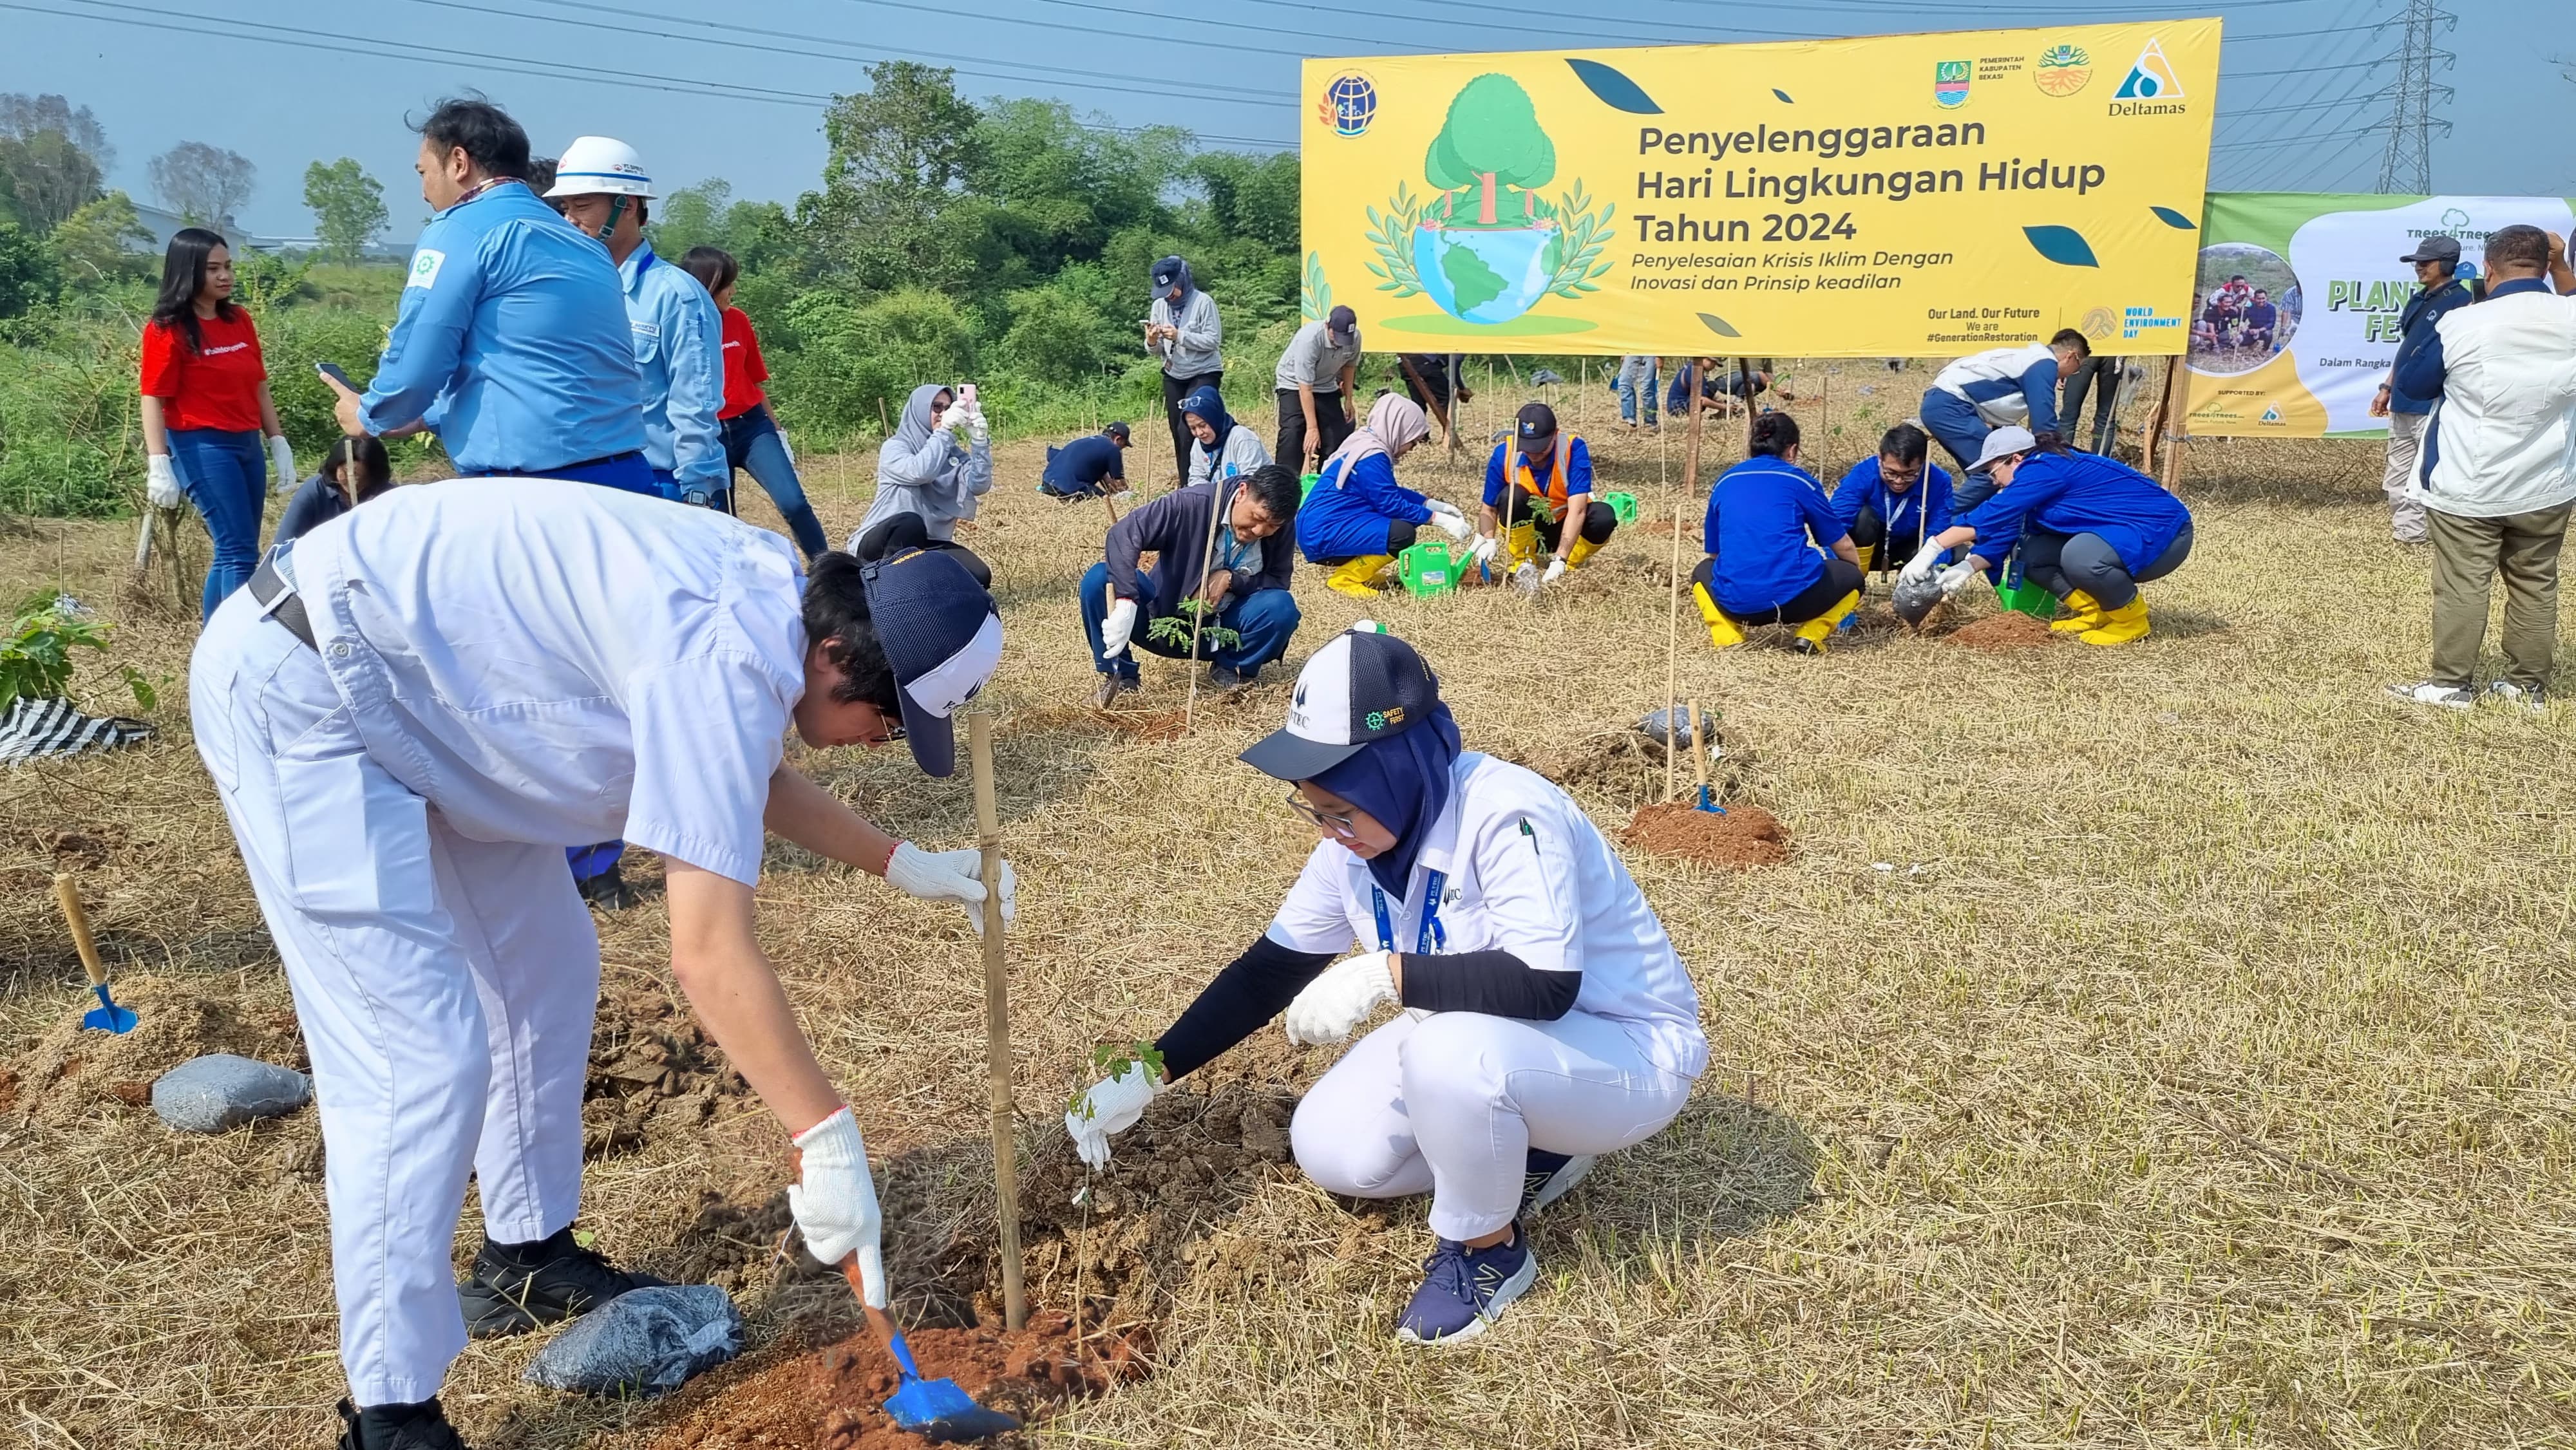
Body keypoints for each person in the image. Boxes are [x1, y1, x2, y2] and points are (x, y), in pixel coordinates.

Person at [189, 483, 1012, 1450]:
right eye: (885, 722)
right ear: (838, 659)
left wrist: (898, 861)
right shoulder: (722, 649)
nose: (878, 746)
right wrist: (825, 1138)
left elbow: (750, 773)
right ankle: (391, 1409)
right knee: (415, 1061)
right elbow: (708, 955)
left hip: (430, 712)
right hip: (312, 693)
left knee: (547, 966)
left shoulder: (768, 607)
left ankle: (525, 1256)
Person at [1062, 624, 1705, 1345]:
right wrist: (1149, 1069)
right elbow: (1268, 969)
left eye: (1340, 806)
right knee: (1334, 1148)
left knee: (1450, 1057)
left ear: (1395, 770)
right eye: (1312, 806)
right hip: (1492, 1039)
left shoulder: (1507, 814)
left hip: (1623, 1048)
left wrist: (1382, 972)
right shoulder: (1355, 846)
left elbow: (1546, 984)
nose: (1328, 827)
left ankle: (1488, 1251)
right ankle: (1540, 1147)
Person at [320, 97, 648, 494]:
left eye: (423, 172)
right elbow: (540, 364)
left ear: (458, 162)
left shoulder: (459, 230)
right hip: (625, 475)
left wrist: (370, 414)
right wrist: (429, 417)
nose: (424, 192)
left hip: (532, 488)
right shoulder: (584, 244)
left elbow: (417, 361)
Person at [2383, 223, 2576, 710]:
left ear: (2487, 269)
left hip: (2467, 483)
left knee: (2463, 585)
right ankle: (2525, 687)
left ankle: (2451, 686)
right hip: (2547, 483)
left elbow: (2414, 386)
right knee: (2536, 583)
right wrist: (2559, 264)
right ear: (2546, 264)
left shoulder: (2463, 323)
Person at [547, 137, 726, 511]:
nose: (570, 219)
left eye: (582, 205)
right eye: (565, 208)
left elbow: (695, 406)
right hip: (582, 484)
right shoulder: (567, 291)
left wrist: (697, 495)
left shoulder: (676, 296)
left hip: (659, 487)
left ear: (627, 206)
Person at [1904, 426, 2193, 647]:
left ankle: (2131, 621)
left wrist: (1933, 547)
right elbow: (2005, 529)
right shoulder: (2037, 477)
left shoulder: (2044, 469)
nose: (1992, 480)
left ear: (2015, 459)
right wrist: (1967, 567)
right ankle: (2097, 611)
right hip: (2123, 532)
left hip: (2163, 536)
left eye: (1992, 471)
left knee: (2081, 555)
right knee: (2033, 554)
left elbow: (1991, 514)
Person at [139, 226, 298, 619]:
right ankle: (239, 650)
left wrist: (277, 440)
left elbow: (258, 384)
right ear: (188, 271)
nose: (225, 276)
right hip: (201, 445)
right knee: (239, 552)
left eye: (228, 266)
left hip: (246, 442)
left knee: (234, 550)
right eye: (213, 269)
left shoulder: (238, 319)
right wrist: (158, 462)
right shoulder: (167, 329)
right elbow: (153, 397)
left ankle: (214, 642)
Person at [1084, 462, 1305, 704]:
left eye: (1272, 526)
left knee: (1281, 607)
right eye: (1256, 518)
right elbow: (1124, 533)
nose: (1259, 531)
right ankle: (1121, 676)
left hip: (1222, 633)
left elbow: (1278, 580)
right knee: (1099, 578)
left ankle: (1232, 668)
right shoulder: (1193, 504)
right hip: (1161, 621)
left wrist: (1232, 580)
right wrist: (1126, 602)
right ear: (1242, 492)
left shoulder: (1280, 529)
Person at [681, 246, 829, 558]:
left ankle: (828, 571)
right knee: (719, 519)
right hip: (707, 434)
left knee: (794, 503)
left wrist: (778, 431)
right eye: (727, 285)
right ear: (706, 285)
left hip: (752, 427)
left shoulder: (738, 320)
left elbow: (755, 380)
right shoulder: (681, 324)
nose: (733, 291)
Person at [1690, 413, 1862, 654]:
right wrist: (1855, 574)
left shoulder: (1725, 481)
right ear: (1791, 451)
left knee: (1701, 571)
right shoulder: (1800, 481)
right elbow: (1841, 545)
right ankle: (1811, 634)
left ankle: (1726, 634)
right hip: (1797, 602)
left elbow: (1714, 554)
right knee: (1852, 577)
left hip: (1735, 606)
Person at [1296, 393, 1468, 598]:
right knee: (1401, 532)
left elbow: (1387, 492)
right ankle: (1346, 578)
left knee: (1403, 521)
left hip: (1321, 528)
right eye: (1412, 441)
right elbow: (1392, 505)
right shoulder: (1372, 456)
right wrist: (1441, 520)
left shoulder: (1364, 442)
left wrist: (1433, 505)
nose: (1411, 449)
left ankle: (1361, 571)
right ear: (1399, 430)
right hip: (1323, 533)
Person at [2369, 235, 2474, 545]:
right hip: (2402, 400)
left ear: (2446, 264)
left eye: (2426, 262)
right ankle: (2408, 534)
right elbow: (2408, 347)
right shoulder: (2418, 299)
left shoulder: (2462, 302)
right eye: (2417, 262)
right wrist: (2387, 386)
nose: (2419, 268)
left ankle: (2444, 536)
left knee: (2431, 472)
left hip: (2434, 403)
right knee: (2398, 471)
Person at [1920, 330, 2088, 511]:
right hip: (1950, 405)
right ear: (2071, 356)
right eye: (2077, 369)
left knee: (1991, 477)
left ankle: (1963, 527)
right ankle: (1940, 521)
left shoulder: (2029, 359)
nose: (2072, 375)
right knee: (1995, 471)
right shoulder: (2044, 363)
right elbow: (2044, 426)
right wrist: (2069, 458)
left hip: (1944, 403)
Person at [849, 383, 995, 587]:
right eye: (937, 407)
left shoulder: (951, 454)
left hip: (927, 543)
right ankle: (883, 587)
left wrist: (980, 442)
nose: (943, 413)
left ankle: (921, 585)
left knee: (978, 576)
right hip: (882, 543)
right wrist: (944, 432)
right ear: (919, 409)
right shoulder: (896, 447)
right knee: (909, 522)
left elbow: (979, 485)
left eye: (949, 408)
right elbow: (920, 472)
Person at [1468, 402, 1613, 587]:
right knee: (1511, 496)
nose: (1533, 453)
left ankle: (1567, 564)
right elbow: (1488, 508)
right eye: (1527, 447)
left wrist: (1560, 559)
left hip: (1565, 527)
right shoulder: (1504, 453)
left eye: (1540, 447)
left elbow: (1578, 510)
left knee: (1603, 516)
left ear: (1555, 434)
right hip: (1526, 529)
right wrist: (1488, 539)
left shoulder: (1573, 449)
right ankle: (1523, 561)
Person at [1830, 422, 1955, 576]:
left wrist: (1933, 570)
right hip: (1867, 548)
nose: (1898, 481)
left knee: (1956, 551)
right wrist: (1836, 571)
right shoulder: (1863, 474)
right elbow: (1835, 526)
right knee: (1863, 518)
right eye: (1891, 473)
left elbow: (1939, 530)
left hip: (1910, 548)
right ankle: (1856, 579)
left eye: (1910, 474)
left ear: (1923, 465)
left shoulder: (1939, 481)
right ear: (1880, 459)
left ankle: (1910, 585)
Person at [1148, 256, 1223, 478]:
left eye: (1172, 290)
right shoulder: (1159, 306)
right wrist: (1152, 340)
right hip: (1174, 374)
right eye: (1164, 292)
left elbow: (1213, 340)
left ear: (1182, 280)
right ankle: (1185, 483)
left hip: (1203, 372)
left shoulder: (1204, 302)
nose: (1169, 296)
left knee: (1189, 427)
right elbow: (1156, 349)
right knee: (1177, 432)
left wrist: (1181, 336)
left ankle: (1204, 477)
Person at [1276, 305, 1362, 471]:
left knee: (1337, 432)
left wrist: (1349, 400)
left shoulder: (1355, 338)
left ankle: (1327, 479)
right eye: (1336, 336)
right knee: (1294, 430)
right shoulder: (1310, 339)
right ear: (1327, 326)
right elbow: (1305, 388)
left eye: (1345, 337)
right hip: (1294, 383)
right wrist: (1312, 428)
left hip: (1326, 384)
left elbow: (1350, 367)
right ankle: (1285, 481)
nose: (1340, 342)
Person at [274, 436, 393, 549]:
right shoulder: (315, 491)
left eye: (363, 477)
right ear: (335, 466)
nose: (354, 482)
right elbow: (283, 544)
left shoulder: (388, 496)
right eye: (346, 473)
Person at [1180, 383, 1271, 489]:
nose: (1199, 433)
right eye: (1193, 428)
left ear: (1214, 418)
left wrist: (1221, 497)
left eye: (1202, 425)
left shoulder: (1242, 438)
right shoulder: (1198, 444)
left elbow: (1251, 482)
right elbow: (1196, 478)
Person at [1039, 421, 1130, 501]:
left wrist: (1112, 492)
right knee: (1104, 502)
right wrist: (1128, 495)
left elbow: (1105, 480)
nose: (1123, 448)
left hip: (1048, 481)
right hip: (1068, 485)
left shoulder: (1086, 442)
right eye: (1124, 444)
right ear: (1118, 439)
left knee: (1102, 496)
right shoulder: (1113, 449)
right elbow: (1119, 483)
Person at [1613, 354, 1659, 429]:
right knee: (1624, 384)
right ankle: (1629, 419)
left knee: (1647, 390)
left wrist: (1660, 356)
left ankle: (1650, 423)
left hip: (1652, 351)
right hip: (1631, 350)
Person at [2242, 289, 2280, 353]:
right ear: (2254, 298)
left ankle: (2264, 350)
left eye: (2263, 298)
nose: (2261, 301)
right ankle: (2253, 343)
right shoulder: (2249, 306)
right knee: (2240, 341)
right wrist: (2243, 328)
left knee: (2268, 334)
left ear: (2266, 298)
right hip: (2252, 330)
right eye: (2259, 299)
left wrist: (2259, 330)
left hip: (2264, 330)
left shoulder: (2271, 308)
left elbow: (2271, 324)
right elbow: (2242, 319)